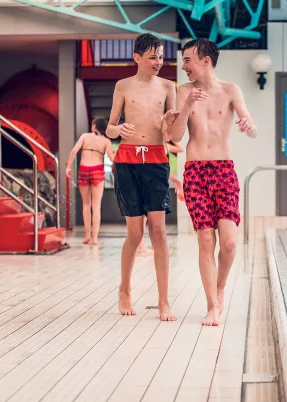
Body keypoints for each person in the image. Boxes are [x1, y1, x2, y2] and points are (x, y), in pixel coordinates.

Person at [166, 38, 257, 327]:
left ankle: (220, 288)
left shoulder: (231, 90)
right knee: (206, 239)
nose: (184, 66)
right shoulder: (184, 91)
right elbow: (175, 137)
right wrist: (188, 104)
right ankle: (212, 306)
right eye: (183, 60)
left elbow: (251, 129)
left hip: (224, 170)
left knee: (229, 243)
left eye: (188, 60)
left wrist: (248, 127)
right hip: (194, 170)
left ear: (206, 60)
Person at [106, 32, 177, 321]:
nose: (158, 62)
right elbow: (110, 128)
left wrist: (169, 126)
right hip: (127, 160)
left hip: (157, 158)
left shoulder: (167, 86)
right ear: (137, 58)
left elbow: (174, 132)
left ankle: (164, 300)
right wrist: (118, 130)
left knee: (158, 231)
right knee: (135, 233)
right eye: (152, 57)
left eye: (161, 56)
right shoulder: (122, 86)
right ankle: (124, 289)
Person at [136, 120, 184, 257]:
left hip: (158, 182)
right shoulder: (156, 145)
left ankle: (152, 246)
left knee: (153, 217)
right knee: (145, 216)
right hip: (149, 181)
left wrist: (170, 137)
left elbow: (180, 149)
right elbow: (159, 168)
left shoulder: (165, 146)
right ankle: (141, 247)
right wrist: (176, 181)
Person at [66, 117, 114, 245]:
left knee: (86, 205)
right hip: (97, 171)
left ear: (94, 126)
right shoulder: (106, 141)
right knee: (96, 206)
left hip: (83, 170)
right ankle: (95, 239)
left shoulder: (85, 136)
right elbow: (112, 158)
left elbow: (74, 151)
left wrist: (68, 167)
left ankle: (87, 236)